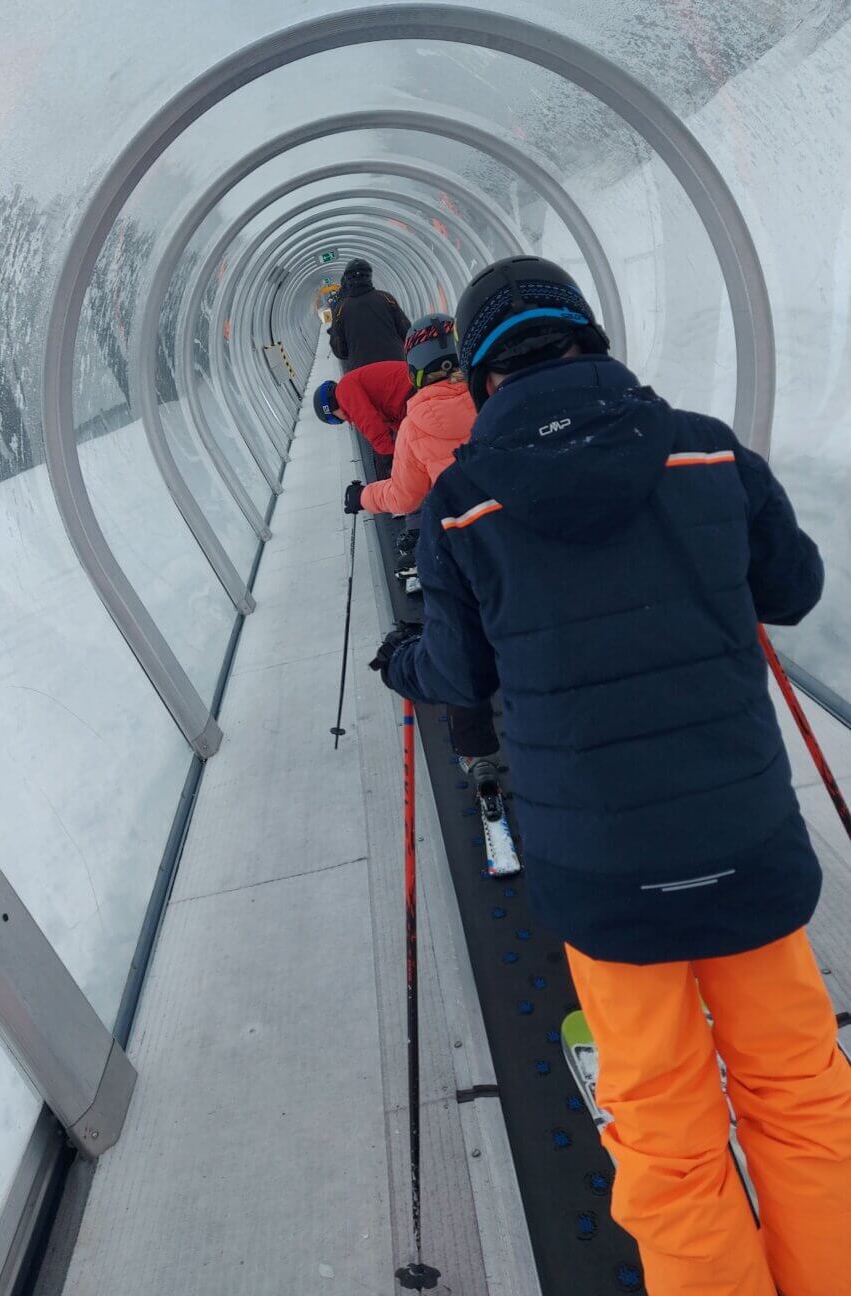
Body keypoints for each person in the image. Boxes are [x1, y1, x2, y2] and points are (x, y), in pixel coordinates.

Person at [369, 255, 851, 1296]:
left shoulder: (460, 506)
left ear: (486, 373)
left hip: (601, 877)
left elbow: (458, 671)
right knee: (803, 1098)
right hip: (753, 852)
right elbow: (797, 587)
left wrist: (399, 660)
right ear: (589, 338)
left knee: (668, 1136)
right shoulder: (707, 454)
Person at [342, 314, 494, 774]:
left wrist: (362, 496)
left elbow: (404, 495)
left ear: (416, 369)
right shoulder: (493, 397)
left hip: (461, 546)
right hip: (517, 529)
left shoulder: (415, 425)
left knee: (455, 629)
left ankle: (477, 753)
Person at [312, 359, 410, 478]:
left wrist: (388, 456)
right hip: (409, 394)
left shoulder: (344, 390)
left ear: (330, 407)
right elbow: (395, 421)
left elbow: (370, 423)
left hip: (409, 392)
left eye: (335, 420)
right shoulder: (351, 388)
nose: (342, 421)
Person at [328, 257, 411, 370]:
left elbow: (340, 350)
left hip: (361, 371)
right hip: (396, 365)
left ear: (347, 280)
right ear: (370, 276)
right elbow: (406, 331)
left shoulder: (341, 309)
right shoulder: (386, 298)